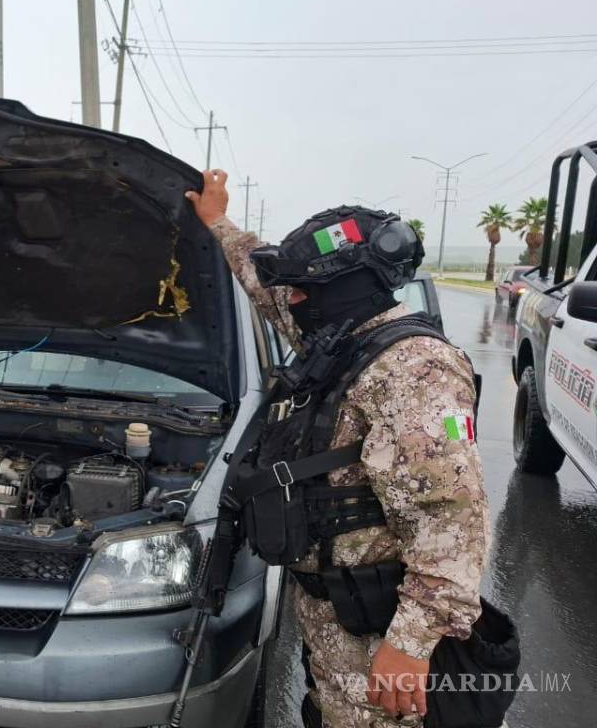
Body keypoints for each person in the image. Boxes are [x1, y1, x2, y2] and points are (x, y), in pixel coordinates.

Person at [188, 170, 490, 727]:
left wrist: (413, 643)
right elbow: (266, 288)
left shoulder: (414, 369)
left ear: (342, 291)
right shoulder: (344, 341)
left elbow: (452, 517)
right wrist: (218, 222)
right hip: (334, 612)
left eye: (304, 291)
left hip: (379, 631)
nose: (292, 301)